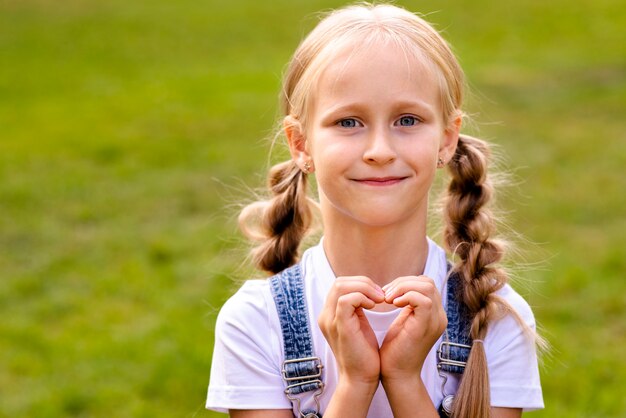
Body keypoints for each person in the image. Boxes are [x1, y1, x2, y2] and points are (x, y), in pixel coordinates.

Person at [206, 3, 543, 418]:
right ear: (300, 144)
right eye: (348, 122)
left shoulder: (494, 319)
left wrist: (403, 380)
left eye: (407, 119)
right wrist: (356, 383)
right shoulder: (255, 321)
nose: (380, 151)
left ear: (447, 138)